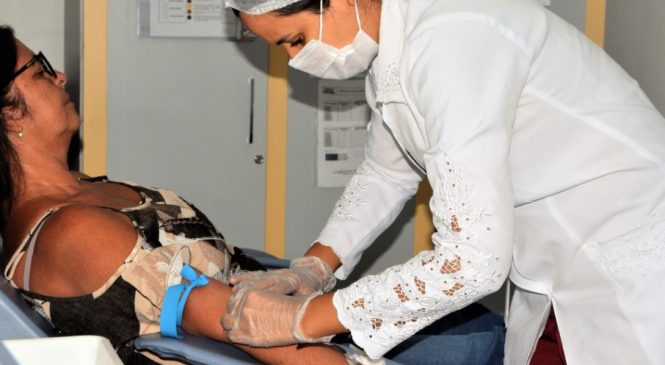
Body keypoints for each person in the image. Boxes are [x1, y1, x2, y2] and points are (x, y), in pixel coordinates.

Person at [221, 0, 665, 364]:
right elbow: (387, 171)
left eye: (295, 40)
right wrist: (312, 269)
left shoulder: (452, 37)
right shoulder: (396, 44)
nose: (295, 60)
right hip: (557, 264)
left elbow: (471, 260)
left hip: (628, 252)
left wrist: (305, 319)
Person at [0, 25, 352, 365]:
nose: (59, 76)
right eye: (40, 71)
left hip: (306, 320)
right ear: (8, 114)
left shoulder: (79, 189)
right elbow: (241, 324)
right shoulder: (72, 233)